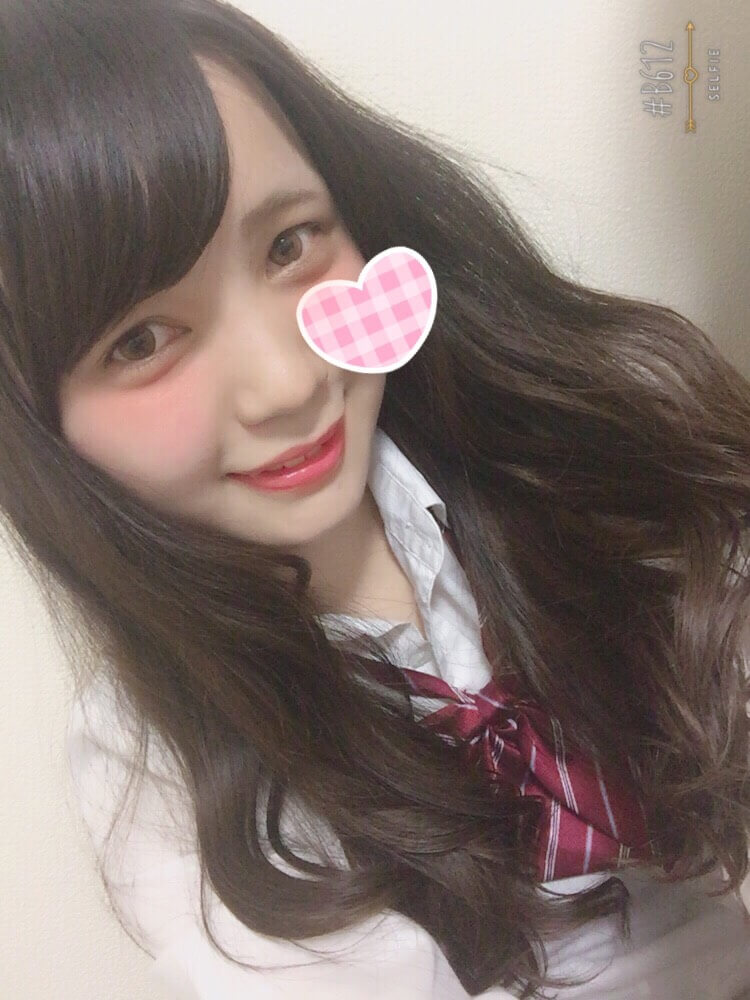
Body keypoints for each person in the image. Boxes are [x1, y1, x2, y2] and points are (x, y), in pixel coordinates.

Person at [1, 1, 749, 997]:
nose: (289, 382)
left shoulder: (554, 440)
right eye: (141, 341)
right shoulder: (157, 764)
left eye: (288, 246)